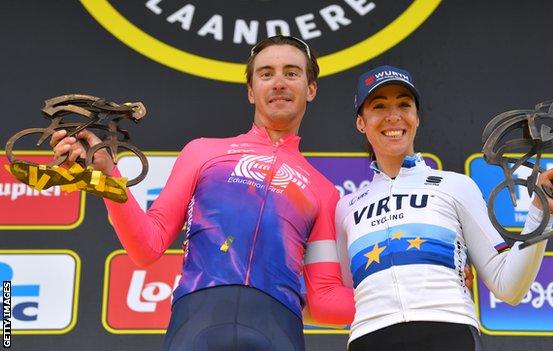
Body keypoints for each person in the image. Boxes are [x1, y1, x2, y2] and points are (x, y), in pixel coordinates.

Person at [51, 35, 354, 351]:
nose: (278, 82)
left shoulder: (323, 191)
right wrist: (108, 176)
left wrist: (403, 296)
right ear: (251, 91)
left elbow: (324, 298)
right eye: (266, 74)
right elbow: (147, 245)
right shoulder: (203, 152)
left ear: (311, 89)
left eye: (291, 73)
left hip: (277, 327)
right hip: (198, 319)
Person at [304, 65, 553, 351]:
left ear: (417, 117)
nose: (394, 115)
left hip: (447, 330)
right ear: (361, 122)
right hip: (369, 337)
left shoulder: (455, 186)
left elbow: (508, 286)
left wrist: (539, 213)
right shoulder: (345, 208)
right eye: (379, 106)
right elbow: (342, 295)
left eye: (404, 104)